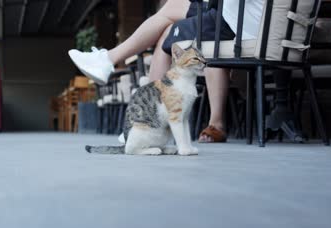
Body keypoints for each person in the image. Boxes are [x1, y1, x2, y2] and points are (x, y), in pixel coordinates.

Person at [68, 0, 264, 143]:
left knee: (169, 23)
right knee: (168, 24)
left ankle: (144, 118)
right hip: (256, 21)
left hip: (239, 21)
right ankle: (108, 61)